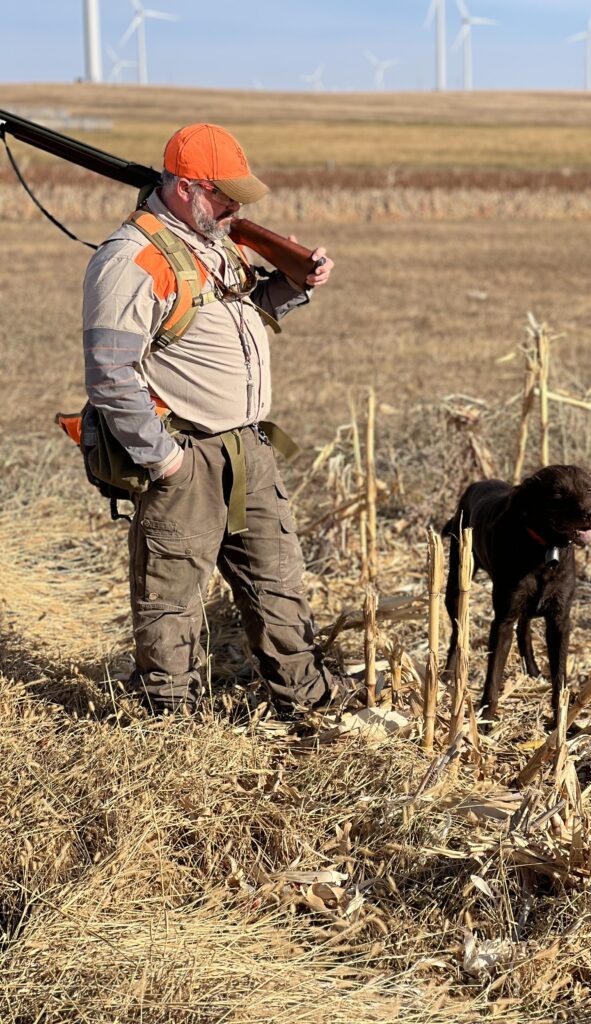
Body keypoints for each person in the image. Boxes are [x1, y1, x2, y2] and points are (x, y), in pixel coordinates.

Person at [83, 122, 359, 719]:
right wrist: (166, 459)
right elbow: (110, 374)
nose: (236, 206)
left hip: (250, 451)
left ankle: (306, 705)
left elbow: (243, 312)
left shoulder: (217, 241)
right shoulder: (131, 259)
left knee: (279, 583)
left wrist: (294, 281)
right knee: (171, 602)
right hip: (187, 458)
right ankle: (169, 725)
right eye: (224, 194)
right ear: (184, 187)